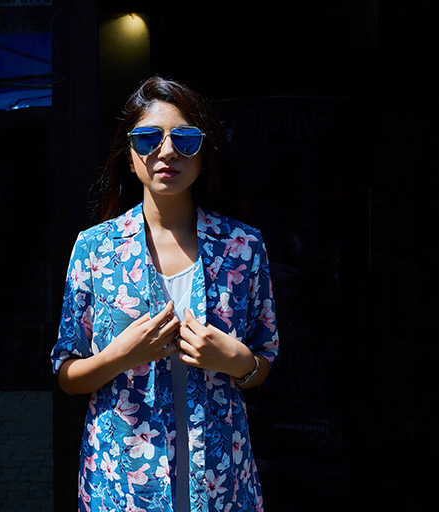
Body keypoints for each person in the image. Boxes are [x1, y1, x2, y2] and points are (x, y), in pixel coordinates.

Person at [50, 76, 279, 512]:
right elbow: (66, 372)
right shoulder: (95, 249)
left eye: (186, 139)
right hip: (122, 481)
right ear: (129, 155)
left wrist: (238, 362)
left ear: (204, 154)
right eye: (148, 138)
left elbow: (264, 358)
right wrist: (120, 356)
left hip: (221, 478)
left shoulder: (242, 246)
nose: (167, 151)